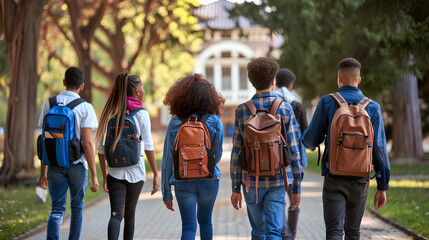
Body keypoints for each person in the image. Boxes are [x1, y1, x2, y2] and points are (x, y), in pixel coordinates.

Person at [302, 57, 390, 239]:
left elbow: (311, 140)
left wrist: (303, 138)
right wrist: (382, 186)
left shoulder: (327, 102)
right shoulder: (372, 107)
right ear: (359, 80)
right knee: (353, 231)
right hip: (361, 179)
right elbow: (379, 149)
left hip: (334, 176)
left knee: (334, 231)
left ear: (339, 79)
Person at [230, 57, 304, 239]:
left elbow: (236, 153)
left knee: (257, 231)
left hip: (250, 182)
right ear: (273, 82)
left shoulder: (242, 110)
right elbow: (295, 151)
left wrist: (235, 188)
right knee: (274, 231)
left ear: (251, 82)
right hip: (277, 180)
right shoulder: (285, 109)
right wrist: (297, 187)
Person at [38, 66, 99, 240]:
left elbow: (46, 141)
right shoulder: (85, 107)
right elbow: (87, 143)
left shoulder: (49, 103)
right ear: (82, 86)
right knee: (77, 208)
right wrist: (95, 175)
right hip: (77, 166)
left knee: (57, 209)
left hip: (54, 165)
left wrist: (42, 173)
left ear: (64, 82)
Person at [96, 72, 159, 240]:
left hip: (114, 172)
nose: (143, 90)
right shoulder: (141, 114)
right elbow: (149, 146)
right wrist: (155, 173)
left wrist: (104, 176)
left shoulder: (110, 113)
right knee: (129, 216)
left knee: (116, 215)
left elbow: (101, 149)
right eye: (142, 87)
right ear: (137, 90)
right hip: (136, 172)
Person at [161, 74, 225, 240]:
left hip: (183, 179)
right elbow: (217, 157)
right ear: (209, 98)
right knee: (205, 222)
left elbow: (168, 159)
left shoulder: (175, 122)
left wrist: (166, 191)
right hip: (209, 178)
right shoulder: (215, 120)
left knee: (188, 227)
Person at [275, 68, 308, 240]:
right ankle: (291, 236)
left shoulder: (272, 105)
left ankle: (285, 235)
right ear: (291, 84)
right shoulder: (297, 106)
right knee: (294, 201)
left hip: (275, 160)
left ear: (275, 82)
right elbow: (305, 133)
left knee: (278, 201)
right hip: (295, 160)